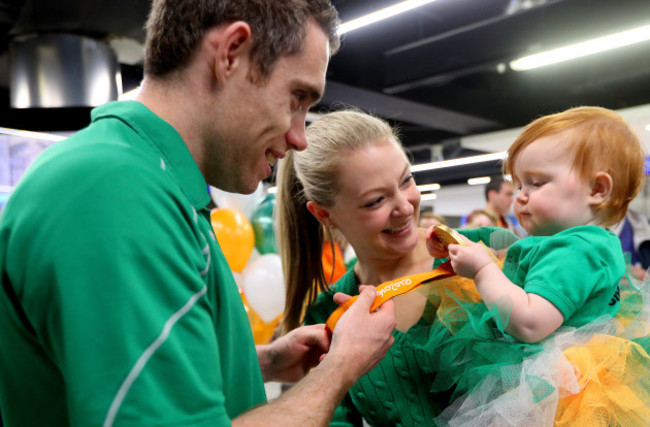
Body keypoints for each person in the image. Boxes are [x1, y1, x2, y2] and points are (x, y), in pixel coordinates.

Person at [0, 1, 396, 426]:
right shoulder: (115, 190)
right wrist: (340, 368)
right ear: (231, 53)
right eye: (296, 98)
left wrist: (259, 361)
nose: (300, 137)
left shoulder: (145, 179)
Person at [425, 106, 650, 425]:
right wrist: (461, 237)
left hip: (551, 391)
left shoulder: (574, 252)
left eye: (536, 183)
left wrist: (483, 270)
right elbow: (512, 242)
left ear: (597, 190)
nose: (521, 197)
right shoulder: (577, 240)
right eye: (518, 185)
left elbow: (530, 323)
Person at [276, 110, 451, 426]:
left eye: (407, 180)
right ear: (324, 215)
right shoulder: (327, 316)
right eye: (375, 201)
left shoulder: (488, 251)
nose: (405, 206)